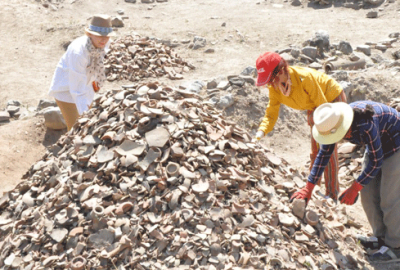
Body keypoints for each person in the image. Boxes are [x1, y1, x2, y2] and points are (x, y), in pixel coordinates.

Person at [290, 101, 400, 261]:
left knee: (389, 197)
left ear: (344, 130)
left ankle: (395, 246)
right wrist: (308, 188)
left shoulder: (365, 123)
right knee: (368, 195)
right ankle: (381, 238)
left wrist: (354, 187)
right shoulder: (332, 122)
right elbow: (323, 156)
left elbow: (376, 161)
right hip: (377, 145)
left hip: (396, 143)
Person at [255, 51, 347, 200]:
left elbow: (323, 107)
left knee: (328, 149)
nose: (270, 84)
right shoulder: (274, 88)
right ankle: (313, 190)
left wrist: (326, 131)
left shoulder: (305, 79)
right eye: (268, 81)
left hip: (330, 101)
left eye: (271, 79)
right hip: (312, 104)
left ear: (282, 70)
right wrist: (261, 132)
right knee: (315, 151)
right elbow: (271, 112)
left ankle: (332, 195)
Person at [48, 14, 115, 131]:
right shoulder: (79, 53)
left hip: (86, 86)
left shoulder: (104, 43)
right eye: (99, 36)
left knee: (85, 127)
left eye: (107, 36)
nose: (104, 39)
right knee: (76, 130)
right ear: (89, 34)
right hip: (67, 90)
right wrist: (86, 116)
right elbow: (77, 90)